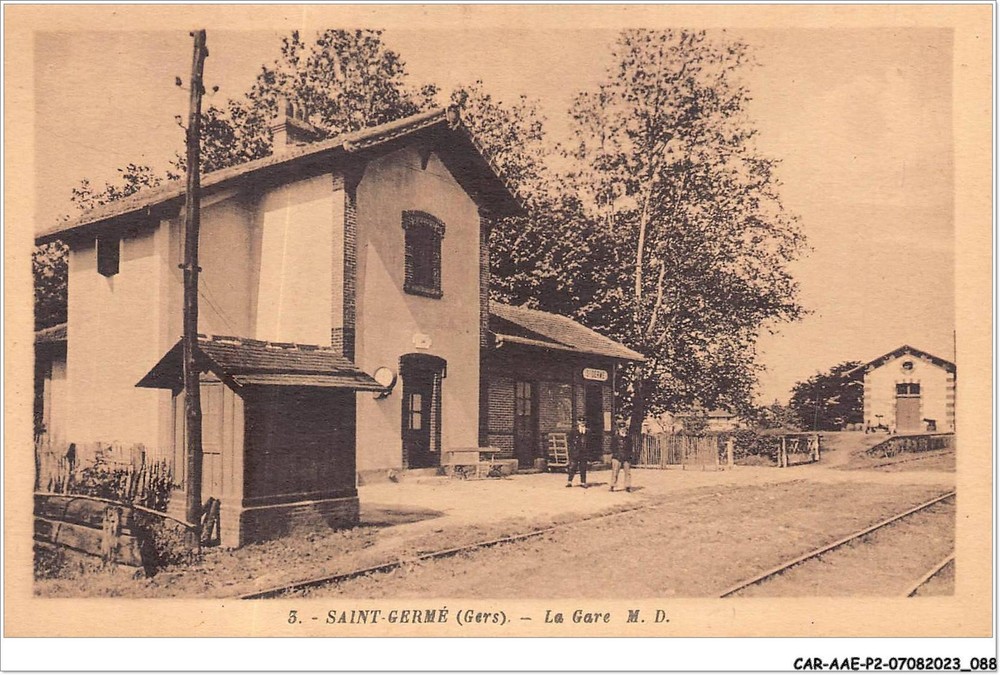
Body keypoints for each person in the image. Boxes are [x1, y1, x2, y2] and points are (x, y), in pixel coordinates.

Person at [566, 417, 589, 488]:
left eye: (583, 421)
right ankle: (569, 482)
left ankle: (583, 482)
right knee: (573, 466)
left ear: (585, 422)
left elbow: (590, 442)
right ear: (578, 422)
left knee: (583, 467)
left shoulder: (588, 431)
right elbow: (569, 440)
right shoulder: (574, 431)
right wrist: (572, 450)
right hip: (575, 452)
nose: (582, 423)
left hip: (584, 452)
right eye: (580, 421)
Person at [610, 424, 633, 492]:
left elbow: (630, 448)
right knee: (615, 472)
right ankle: (613, 485)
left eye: (624, 428)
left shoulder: (628, 438)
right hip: (617, 457)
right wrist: (616, 454)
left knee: (627, 472)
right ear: (619, 429)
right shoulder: (615, 438)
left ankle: (627, 486)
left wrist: (629, 455)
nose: (623, 430)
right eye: (621, 428)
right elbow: (612, 447)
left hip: (626, 457)